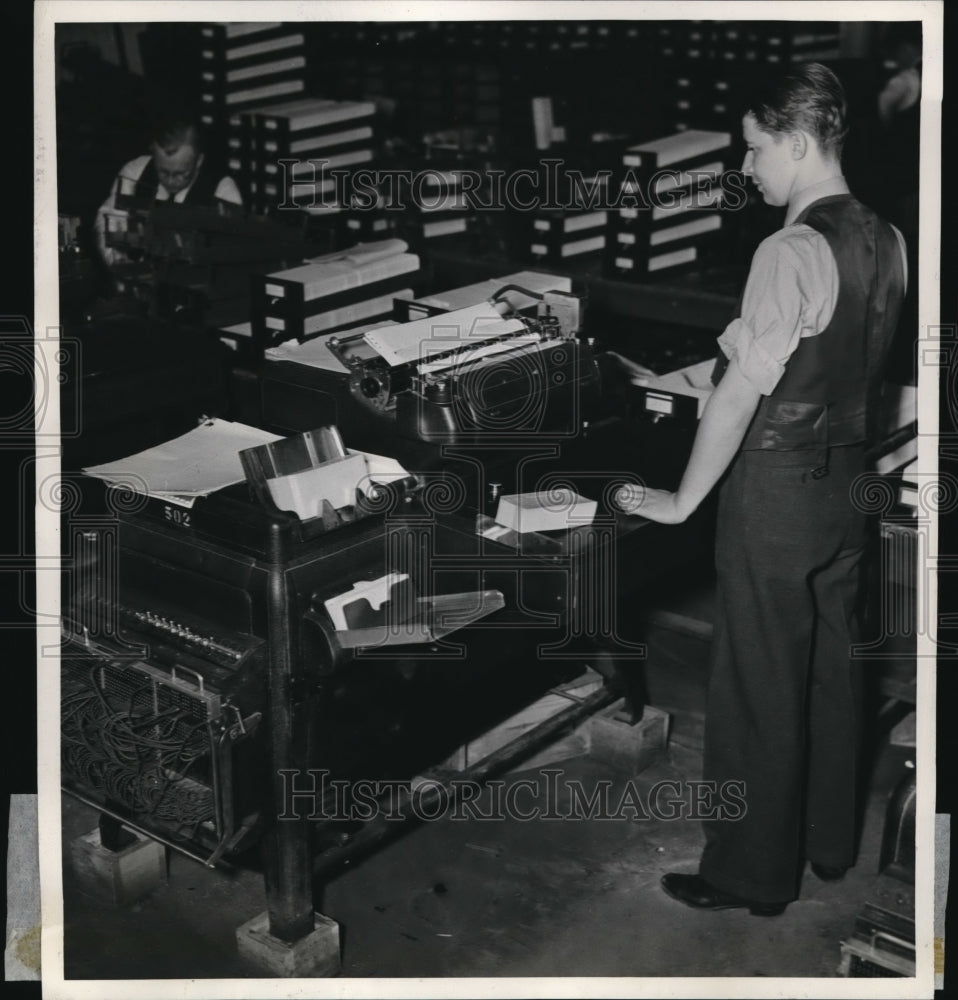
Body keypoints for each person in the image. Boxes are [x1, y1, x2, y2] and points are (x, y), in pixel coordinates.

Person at [621, 63, 908, 915]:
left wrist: (678, 500)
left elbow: (744, 394)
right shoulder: (888, 237)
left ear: (795, 141)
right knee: (828, 669)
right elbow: (855, 367)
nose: (747, 171)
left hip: (777, 496)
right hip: (846, 492)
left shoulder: (787, 249)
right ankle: (826, 844)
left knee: (755, 684)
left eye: (752, 152)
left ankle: (748, 872)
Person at [94, 113, 242, 267]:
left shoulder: (223, 191)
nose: (170, 181)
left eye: (180, 174)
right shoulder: (134, 173)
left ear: (199, 161)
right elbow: (106, 222)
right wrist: (119, 259)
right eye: (162, 172)